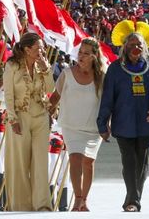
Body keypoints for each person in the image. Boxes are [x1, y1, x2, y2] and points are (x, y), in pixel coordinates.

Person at [97, 20, 149, 212]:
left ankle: (133, 199)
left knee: (142, 164)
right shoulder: (115, 68)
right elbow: (107, 99)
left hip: (146, 122)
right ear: (124, 46)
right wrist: (102, 124)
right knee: (128, 162)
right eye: (132, 44)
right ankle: (133, 201)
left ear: (144, 46)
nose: (136, 47)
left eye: (139, 44)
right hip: (123, 123)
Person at [49, 37, 105, 211]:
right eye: (80, 52)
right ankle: (77, 199)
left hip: (93, 128)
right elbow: (55, 97)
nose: (81, 56)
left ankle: (84, 200)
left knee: (88, 162)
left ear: (94, 56)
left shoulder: (102, 76)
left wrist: (107, 124)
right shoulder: (66, 73)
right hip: (71, 126)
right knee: (74, 158)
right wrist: (46, 114)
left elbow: (108, 103)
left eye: (86, 53)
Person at [3, 32, 54, 211]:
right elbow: (8, 94)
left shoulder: (43, 65)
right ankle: (21, 205)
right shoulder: (12, 65)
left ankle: (42, 204)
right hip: (20, 117)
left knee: (41, 161)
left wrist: (46, 68)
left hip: (40, 116)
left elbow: (51, 88)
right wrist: (12, 118)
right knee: (20, 162)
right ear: (27, 49)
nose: (42, 50)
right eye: (38, 47)